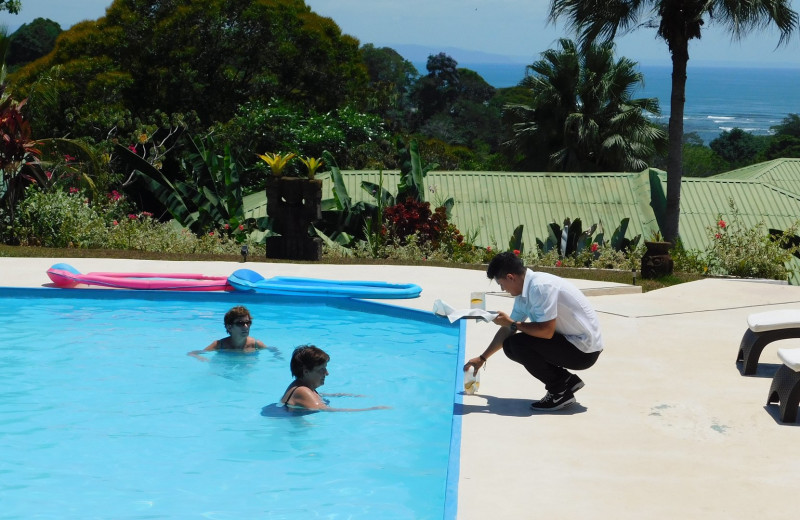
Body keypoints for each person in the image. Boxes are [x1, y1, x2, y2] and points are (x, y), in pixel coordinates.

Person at [463, 252, 603, 411]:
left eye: (501, 284)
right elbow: (508, 329)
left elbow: (546, 332)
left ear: (510, 277)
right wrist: (482, 358)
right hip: (572, 342)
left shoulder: (540, 287)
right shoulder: (524, 292)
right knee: (510, 344)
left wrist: (512, 323)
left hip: (584, 351)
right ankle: (566, 381)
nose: (502, 289)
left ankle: (559, 392)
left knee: (517, 344)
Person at [280, 345, 389, 412]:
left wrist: (342, 395)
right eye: (321, 369)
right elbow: (326, 410)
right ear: (306, 372)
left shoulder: (303, 386)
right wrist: (372, 409)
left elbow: (317, 397)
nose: (327, 373)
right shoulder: (302, 391)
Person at [188, 305, 279, 361]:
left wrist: (276, 358)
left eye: (248, 322)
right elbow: (192, 353)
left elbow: (274, 349)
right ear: (229, 327)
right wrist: (202, 358)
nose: (246, 326)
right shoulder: (220, 345)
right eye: (240, 323)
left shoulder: (255, 344)